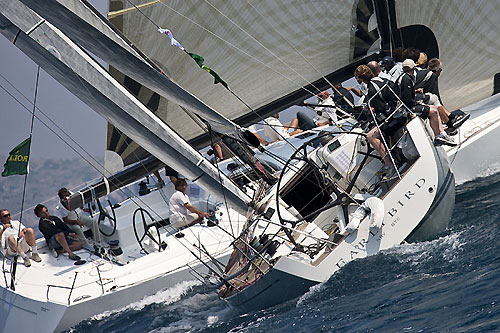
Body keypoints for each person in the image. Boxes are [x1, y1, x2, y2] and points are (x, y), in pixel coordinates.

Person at [396, 59, 456, 146]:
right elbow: (407, 100)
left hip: (408, 104)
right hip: (406, 108)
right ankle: (439, 134)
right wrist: (420, 104)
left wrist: (416, 91)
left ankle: (443, 134)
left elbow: (406, 94)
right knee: (433, 111)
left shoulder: (406, 77)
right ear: (413, 68)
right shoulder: (406, 79)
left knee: (434, 107)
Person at [354, 65, 400, 173]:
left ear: (361, 78)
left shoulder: (371, 89)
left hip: (392, 117)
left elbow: (381, 111)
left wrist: (373, 115)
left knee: (370, 136)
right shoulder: (381, 79)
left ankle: (390, 163)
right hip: (398, 110)